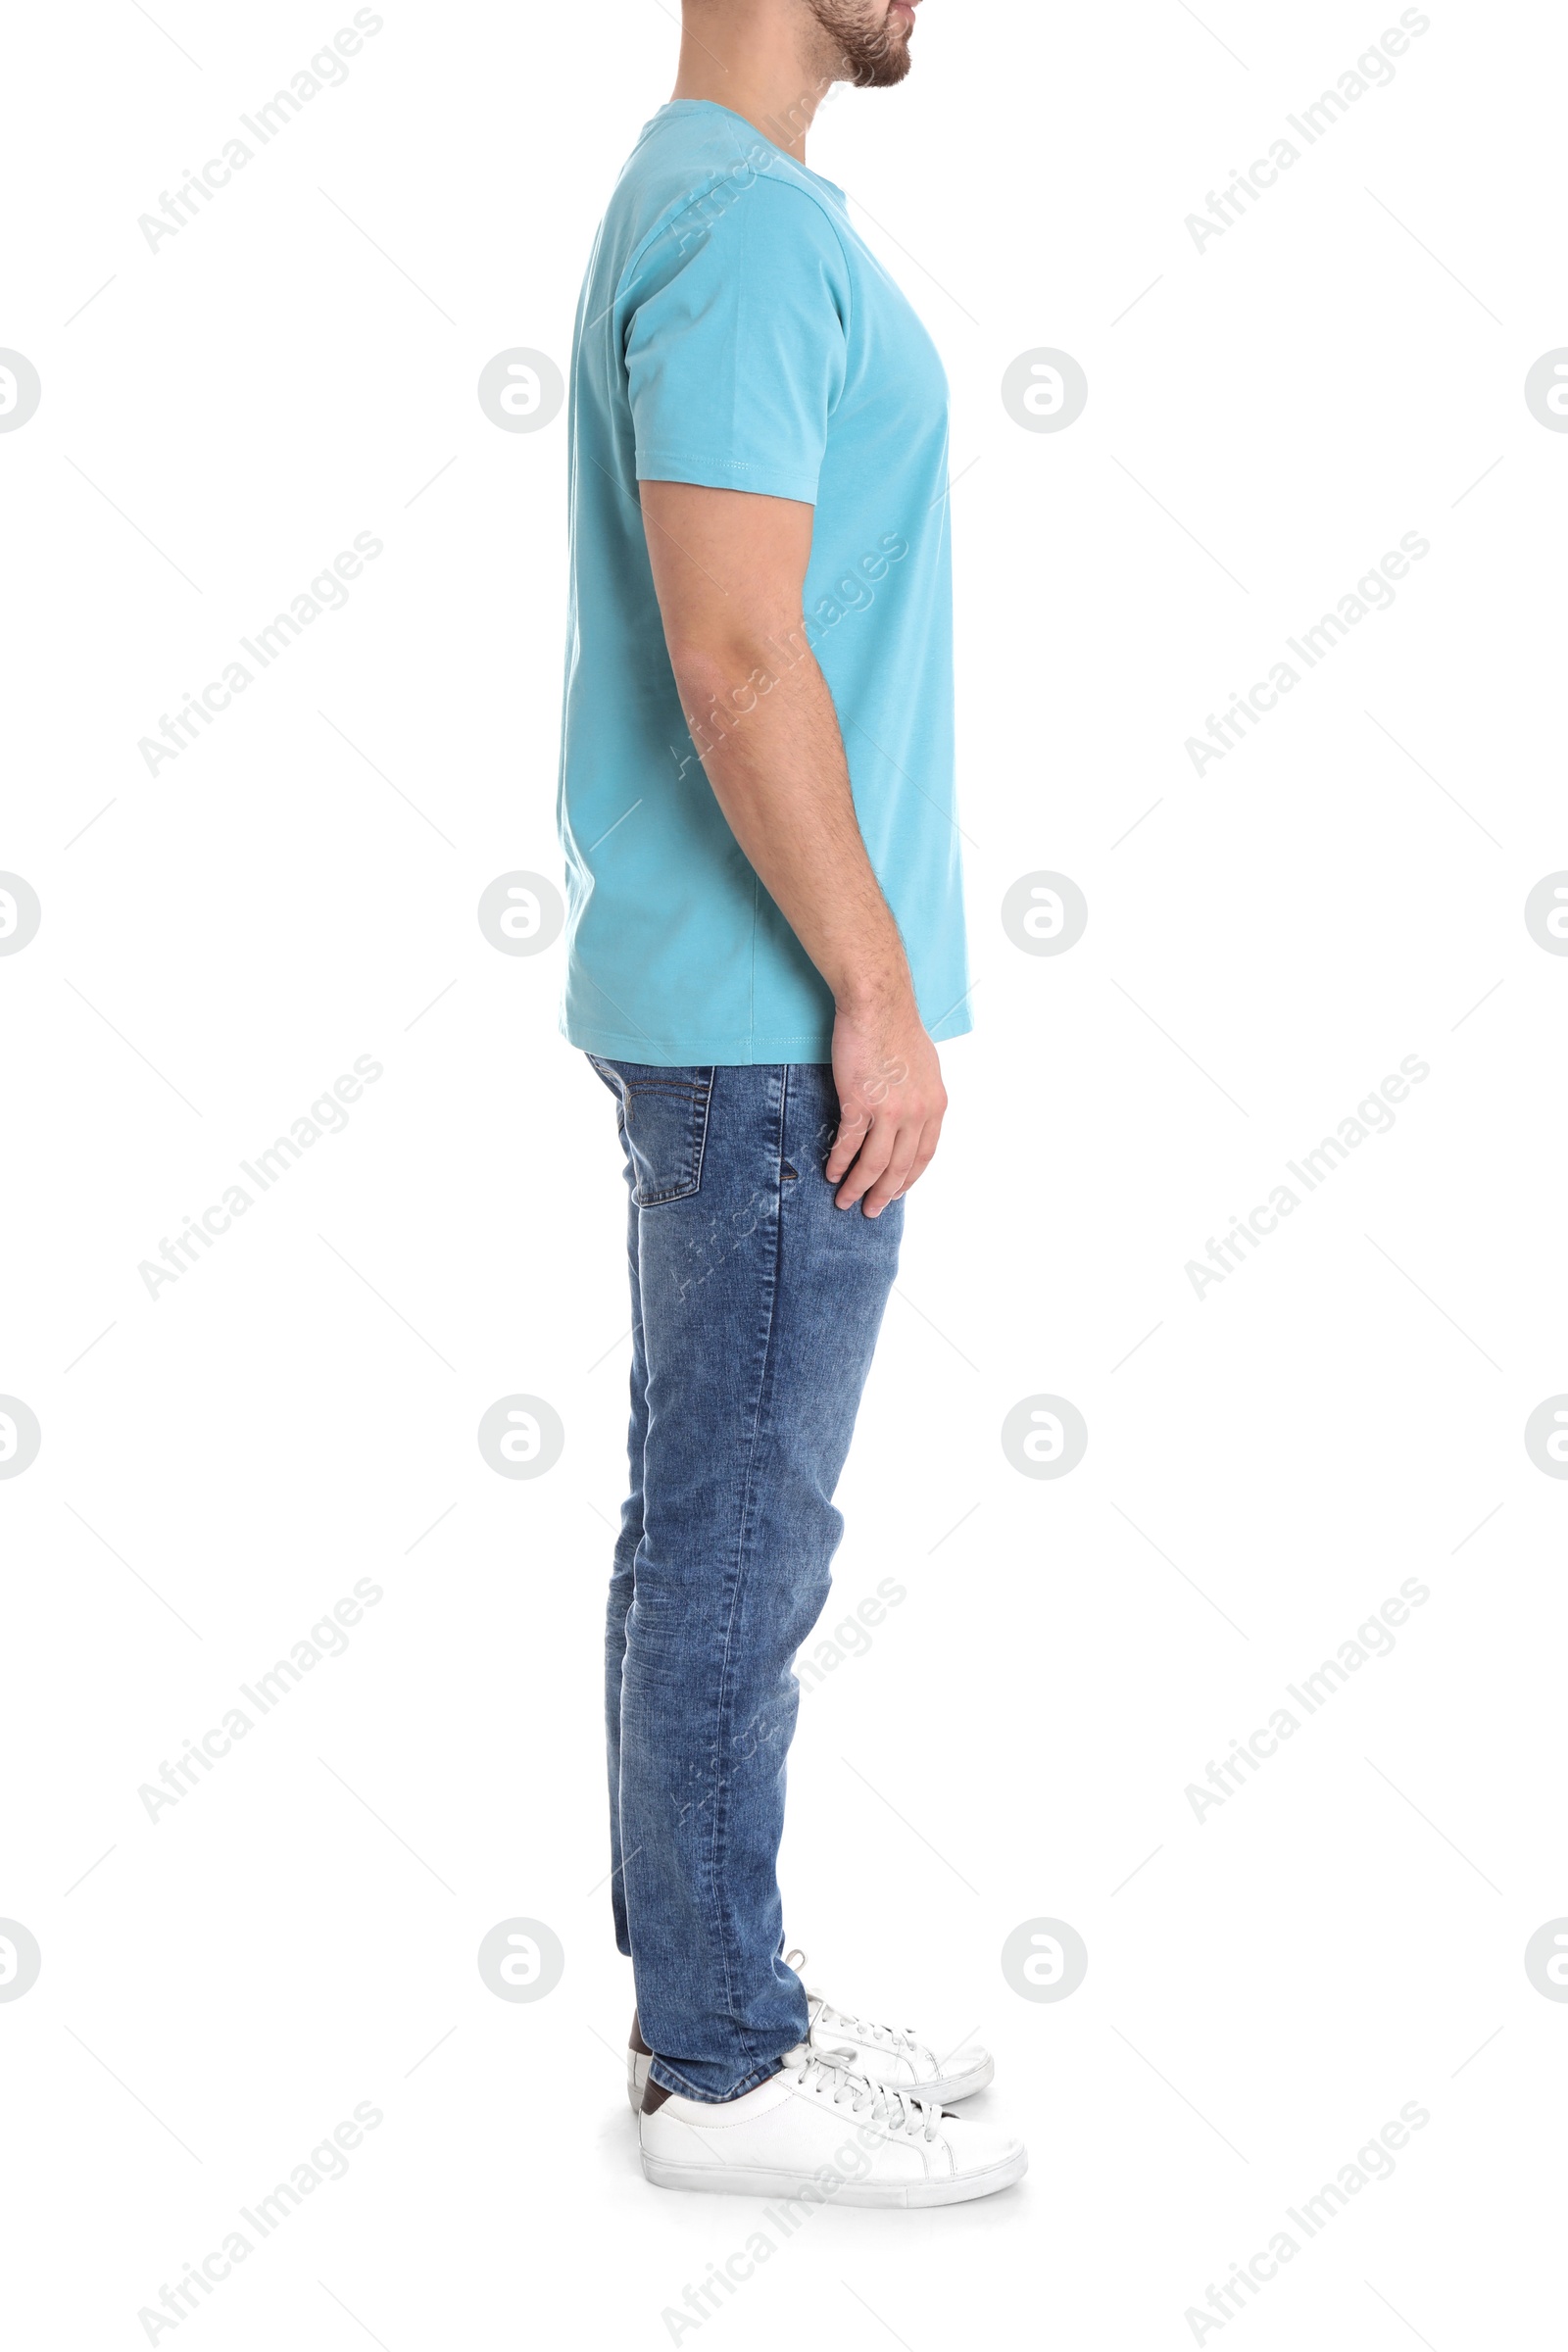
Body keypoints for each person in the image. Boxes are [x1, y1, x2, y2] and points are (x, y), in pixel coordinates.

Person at [557, 0, 1025, 2205]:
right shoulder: (734, 229)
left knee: (708, 1535)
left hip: (747, 1014)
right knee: (742, 1544)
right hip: (772, 1022)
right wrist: (874, 989)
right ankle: (725, 2072)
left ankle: (708, 2001)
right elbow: (735, 655)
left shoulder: (730, 210)